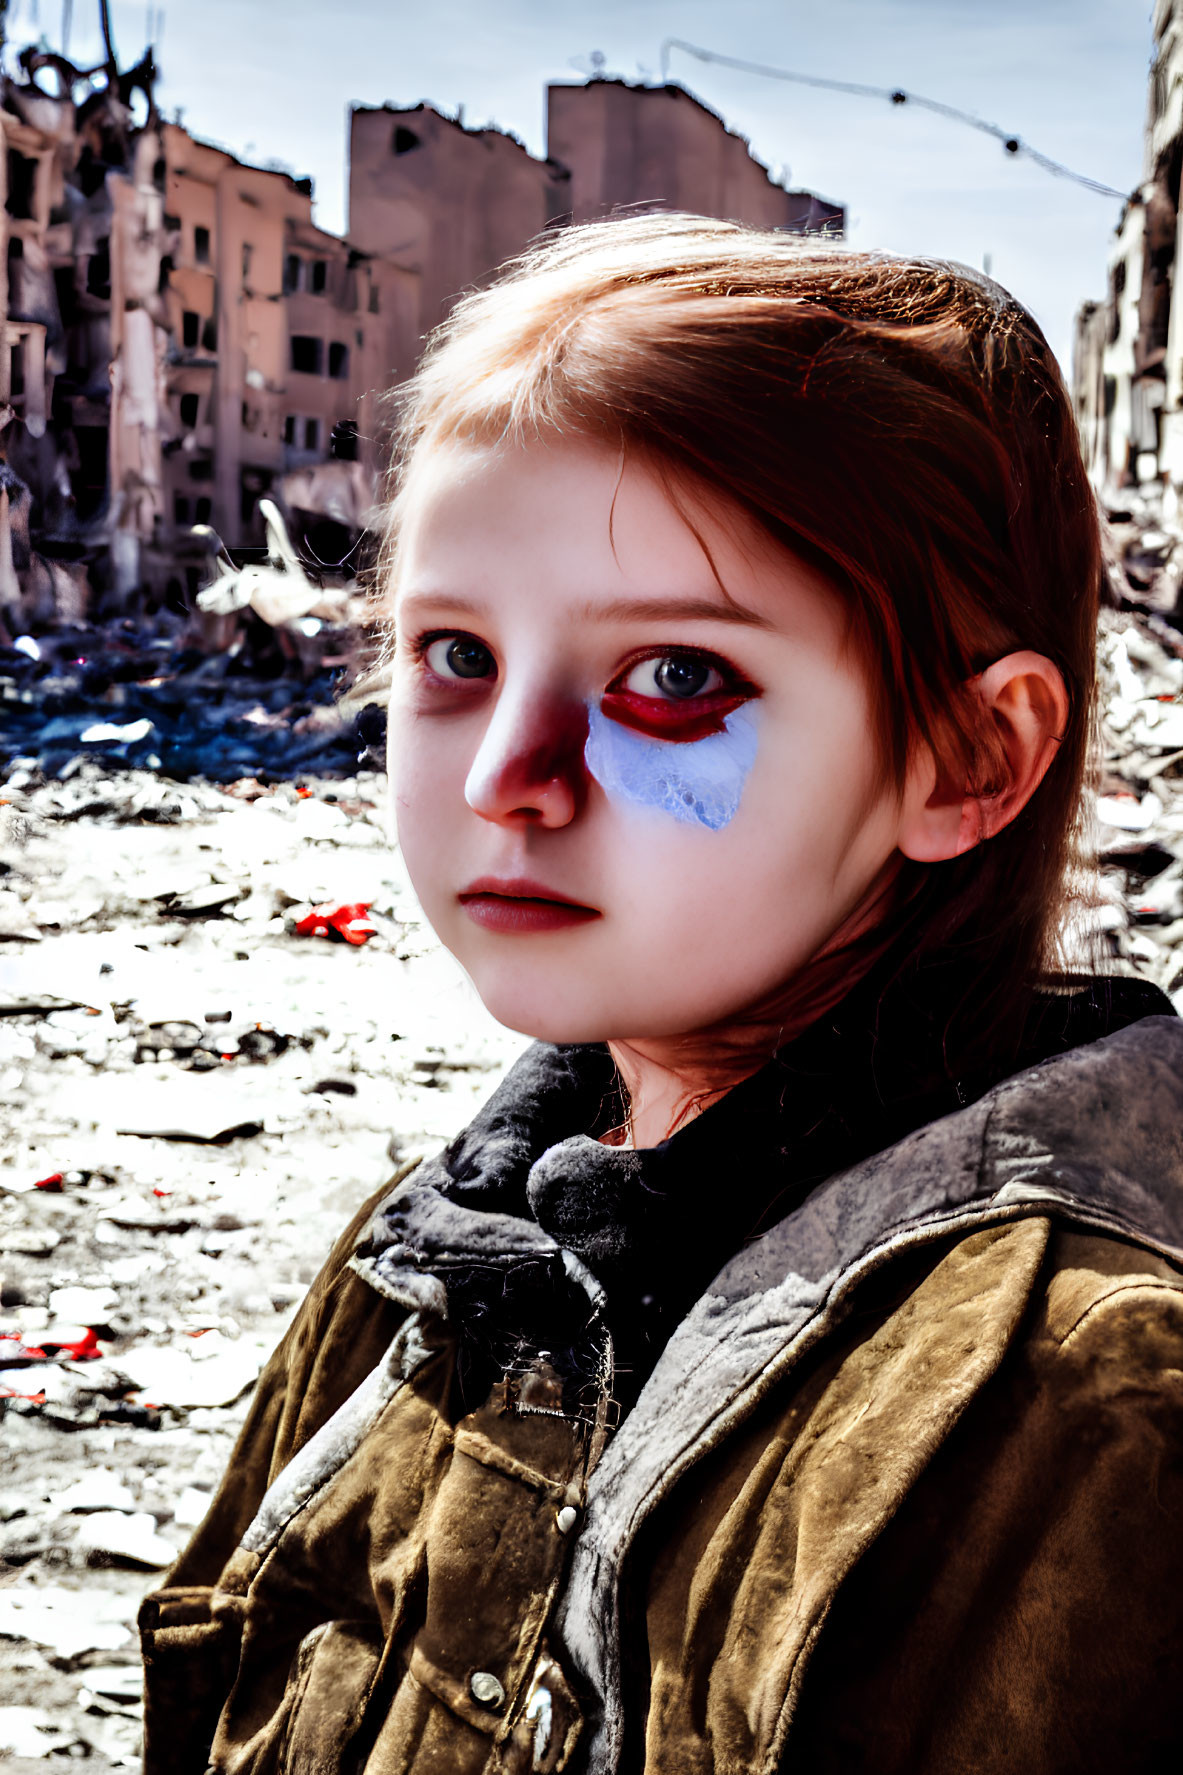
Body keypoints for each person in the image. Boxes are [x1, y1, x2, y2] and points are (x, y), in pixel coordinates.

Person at [139, 215, 1183, 1775]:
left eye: (677, 678)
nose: (508, 779)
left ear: (970, 757)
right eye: (455, 655)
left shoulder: (1092, 1412)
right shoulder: (420, 1273)